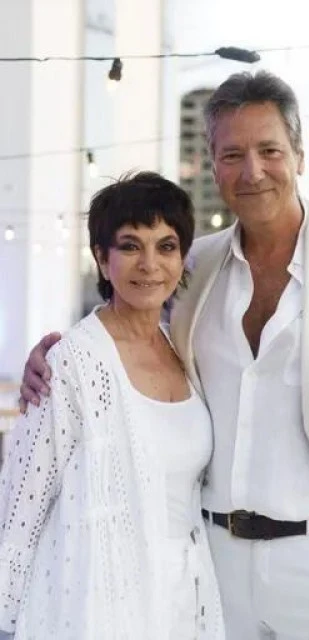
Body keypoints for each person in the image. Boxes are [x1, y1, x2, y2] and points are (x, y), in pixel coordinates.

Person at [20, 71, 309, 640]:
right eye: (232, 154)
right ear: (213, 166)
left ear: (299, 155)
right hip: (214, 566)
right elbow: (132, 330)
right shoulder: (192, 265)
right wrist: (55, 353)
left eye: (269, 150)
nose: (253, 171)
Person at [0, 172, 224, 640]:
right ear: (102, 260)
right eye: (130, 246)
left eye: (166, 246)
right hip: (99, 604)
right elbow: (19, 508)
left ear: (182, 258)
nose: (150, 264)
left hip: (185, 598)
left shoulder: (185, 348)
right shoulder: (72, 363)